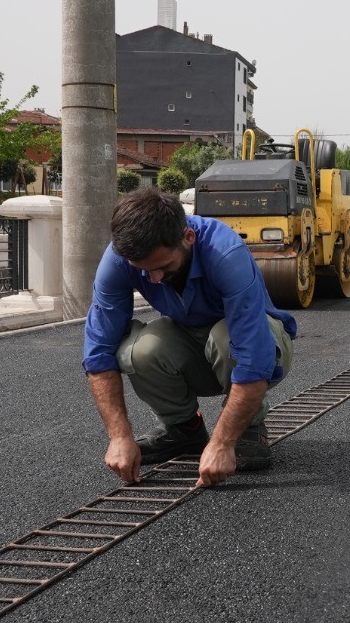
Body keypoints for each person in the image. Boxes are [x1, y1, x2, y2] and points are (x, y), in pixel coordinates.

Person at [82, 187, 296, 488]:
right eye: (143, 272)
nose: (153, 279)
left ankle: (248, 429)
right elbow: (98, 353)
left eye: (163, 267)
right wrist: (119, 437)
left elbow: (254, 357)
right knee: (139, 349)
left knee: (226, 339)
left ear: (188, 238)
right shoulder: (119, 258)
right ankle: (184, 430)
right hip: (192, 341)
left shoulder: (225, 253)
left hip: (259, 344)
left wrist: (222, 443)